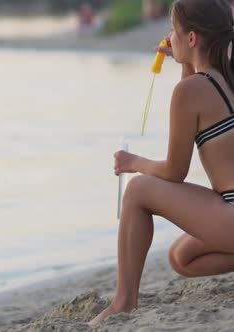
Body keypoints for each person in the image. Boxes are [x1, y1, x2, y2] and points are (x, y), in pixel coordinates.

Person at [90, 0, 234, 327]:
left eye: (174, 30)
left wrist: (132, 162)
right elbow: (197, 91)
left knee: (139, 190)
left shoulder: (190, 91)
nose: (170, 37)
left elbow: (174, 172)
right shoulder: (224, 74)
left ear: (193, 38)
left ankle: (124, 302)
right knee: (180, 258)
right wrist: (184, 62)